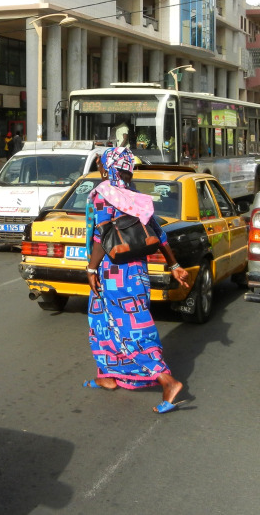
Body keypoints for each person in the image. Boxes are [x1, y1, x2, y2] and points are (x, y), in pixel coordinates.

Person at [83, 147, 190, 413]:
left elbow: (100, 236)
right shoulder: (137, 197)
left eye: (100, 164)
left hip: (111, 272)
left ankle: (167, 380)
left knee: (131, 328)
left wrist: (92, 269)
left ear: (107, 168)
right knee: (103, 320)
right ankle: (108, 376)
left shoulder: (104, 195)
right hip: (136, 275)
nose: (99, 168)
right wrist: (174, 264)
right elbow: (159, 234)